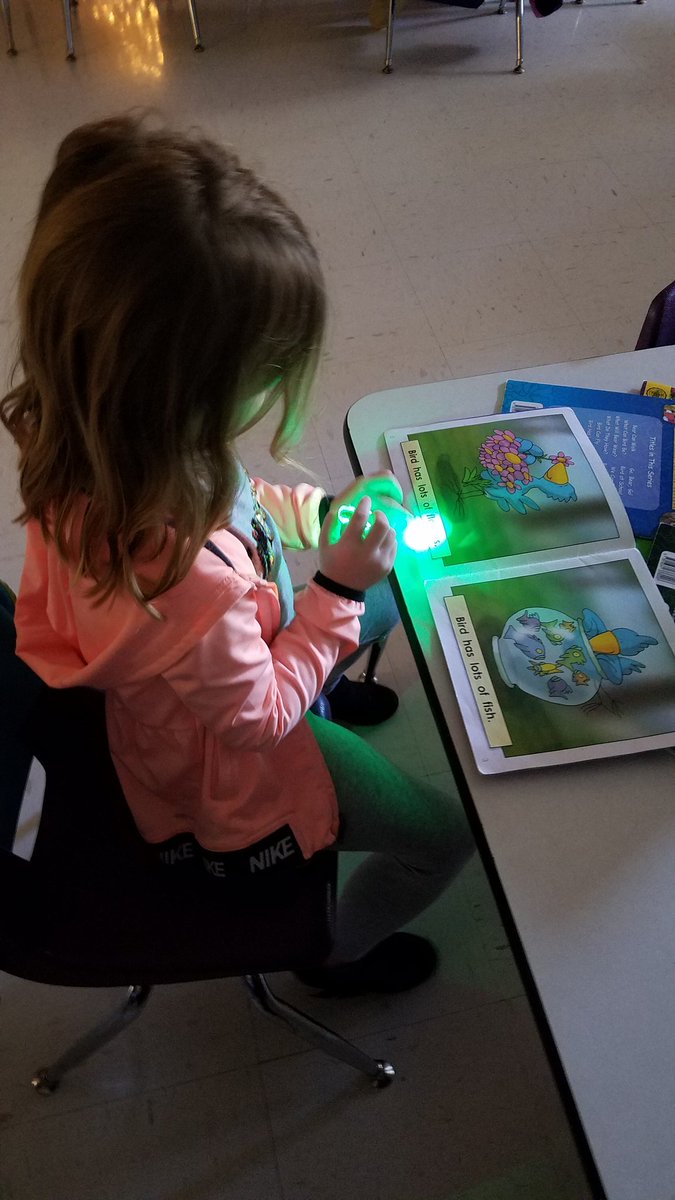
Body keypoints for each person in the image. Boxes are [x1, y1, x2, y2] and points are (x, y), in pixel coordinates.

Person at [1, 115, 474, 996]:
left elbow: (242, 500)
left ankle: (331, 674)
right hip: (241, 756)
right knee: (444, 838)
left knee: (397, 584)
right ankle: (332, 955)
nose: (279, 383)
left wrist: (320, 515)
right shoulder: (184, 582)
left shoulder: (111, 444)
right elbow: (257, 719)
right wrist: (336, 592)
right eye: (268, 368)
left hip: (211, 679)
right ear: (181, 390)